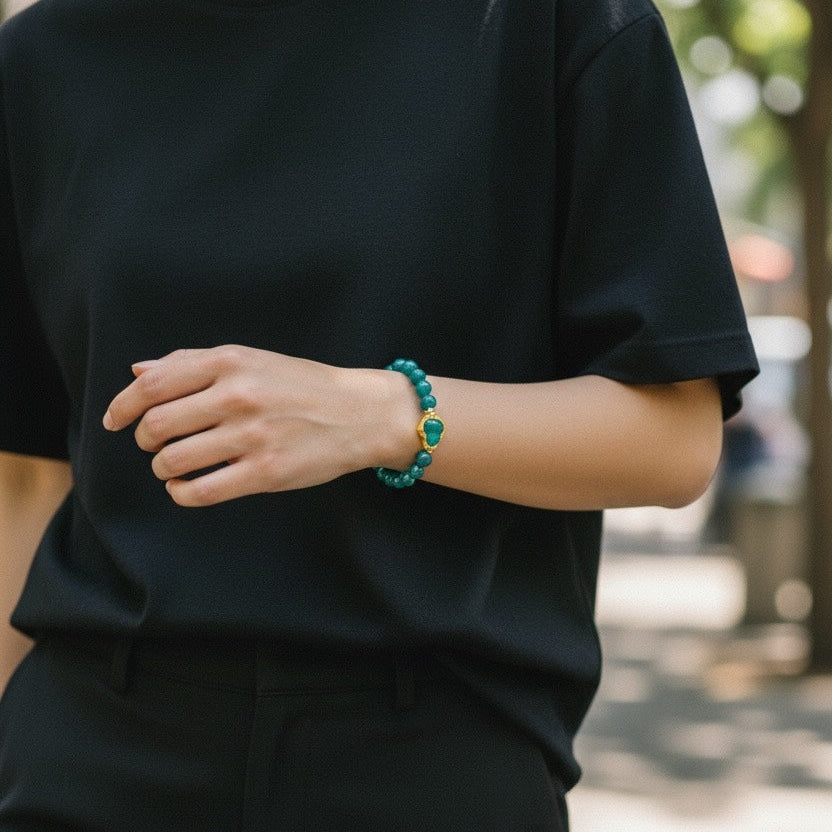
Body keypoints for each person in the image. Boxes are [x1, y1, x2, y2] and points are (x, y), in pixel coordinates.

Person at [0, 0, 758, 829]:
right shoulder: (47, 57)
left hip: (434, 754)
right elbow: (28, 480)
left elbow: (676, 441)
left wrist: (384, 415)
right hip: (88, 753)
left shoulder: (552, 24)